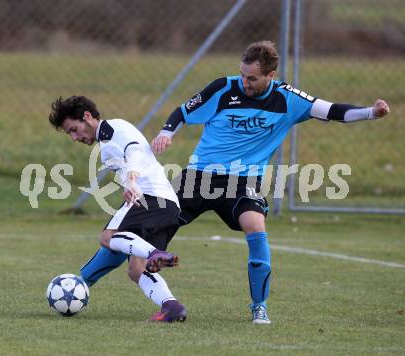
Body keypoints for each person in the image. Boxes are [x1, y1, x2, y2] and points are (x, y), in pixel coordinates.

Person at [151, 40, 390, 324]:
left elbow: (333, 111)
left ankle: (259, 307)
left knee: (256, 225)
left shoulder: (287, 98)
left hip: (242, 180)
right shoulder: (223, 88)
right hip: (200, 175)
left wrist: (371, 113)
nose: (244, 82)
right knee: (150, 224)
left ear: (270, 76)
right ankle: (95, 279)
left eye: (251, 78)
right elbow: (182, 112)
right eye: (242, 74)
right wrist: (167, 133)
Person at [48, 95, 187, 322]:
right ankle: (172, 307)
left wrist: (131, 179)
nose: (74, 137)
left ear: (87, 117)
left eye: (74, 129)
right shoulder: (105, 143)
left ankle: (155, 254)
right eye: (70, 134)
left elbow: (134, 150)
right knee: (136, 270)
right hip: (168, 205)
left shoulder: (114, 129)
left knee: (108, 237)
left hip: (149, 196)